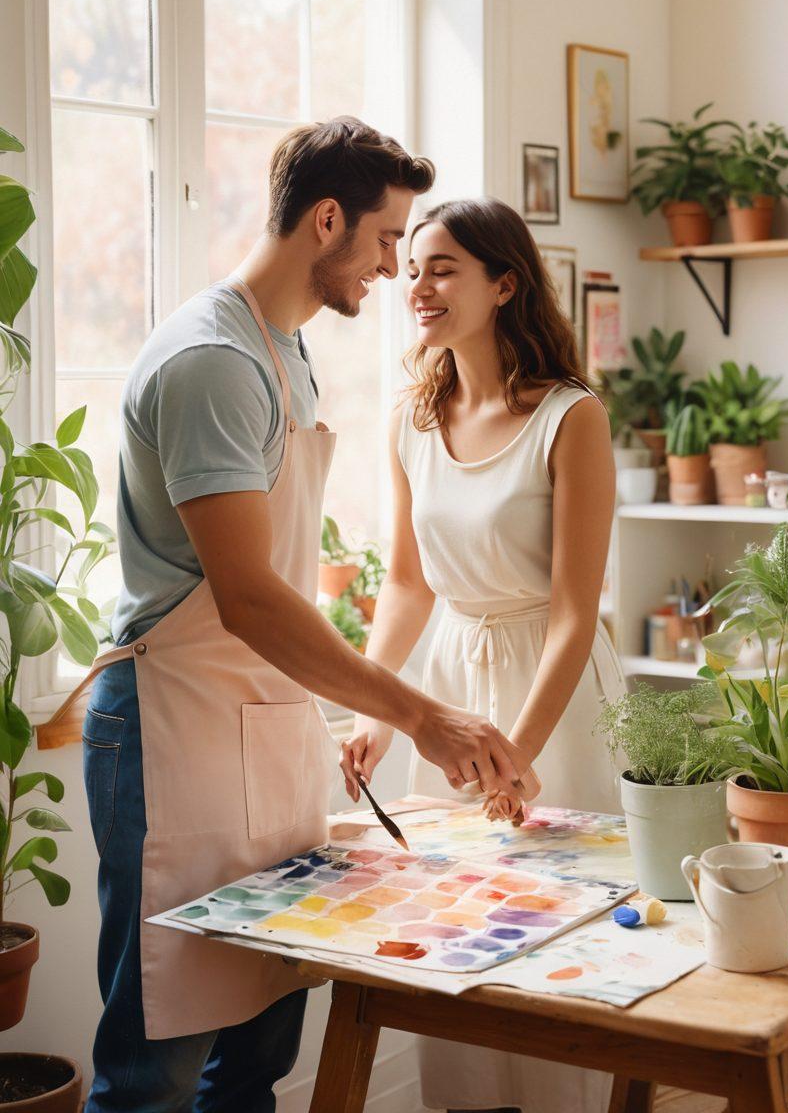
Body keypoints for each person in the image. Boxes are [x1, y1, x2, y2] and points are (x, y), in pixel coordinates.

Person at [68, 120, 524, 1113]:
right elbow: (252, 598)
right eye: (385, 239)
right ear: (327, 219)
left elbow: (281, 581)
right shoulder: (209, 362)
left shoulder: (286, 353)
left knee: (256, 1059)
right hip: (169, 733)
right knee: (155, 1072)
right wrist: (419, 714)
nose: (391, 267)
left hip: (264, 734)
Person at [340, 196, 627, 1113]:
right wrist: (377, 715)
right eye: (412, 265)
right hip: (450, 689)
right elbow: (405, 585)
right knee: (458, 933)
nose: (416, 285)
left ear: (505, 284)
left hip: (556, 695)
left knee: (562, 938)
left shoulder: (570, 417)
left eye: (443, 266)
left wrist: (521, 750)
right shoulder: (408, 419)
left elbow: (577, 614)